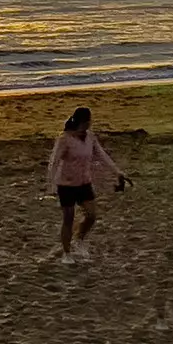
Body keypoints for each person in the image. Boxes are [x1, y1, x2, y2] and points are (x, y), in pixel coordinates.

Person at [46, 106, 127, 263]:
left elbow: (102, 155)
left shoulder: (90, 137)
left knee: (91, 216)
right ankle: (66, 253)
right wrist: (51, 185)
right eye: (89, 120)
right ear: (83, 121)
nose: (90, 123)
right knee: (68, 218)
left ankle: (79, 240)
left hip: (84, 183)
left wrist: (117, 172)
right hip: (66, 184)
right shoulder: (65, 139)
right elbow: (54, 162)